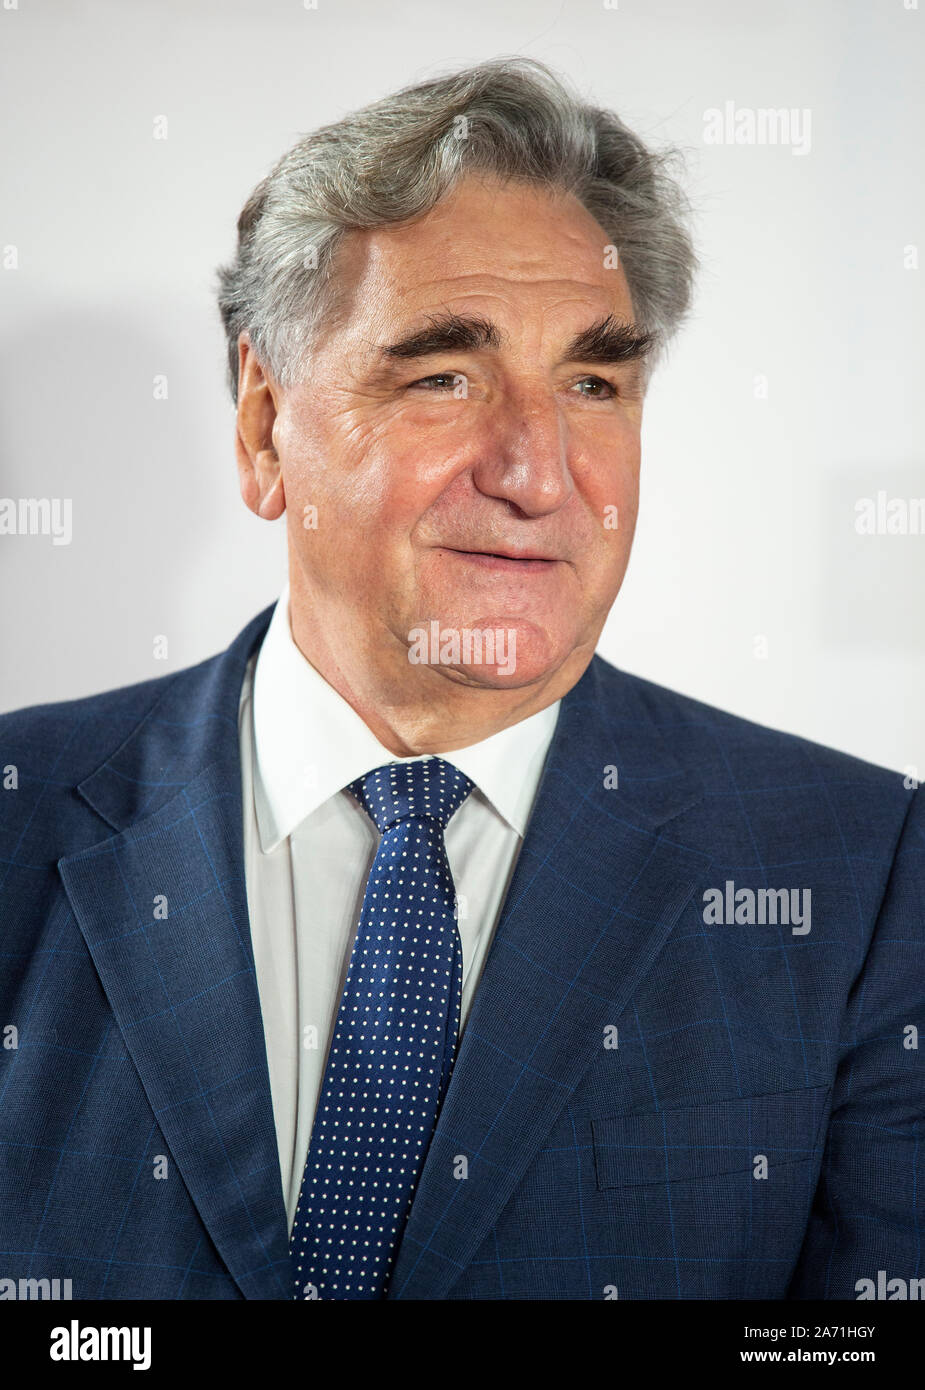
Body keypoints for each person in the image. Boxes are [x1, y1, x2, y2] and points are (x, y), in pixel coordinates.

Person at [0, 57, 921, 1302]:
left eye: (593, 382)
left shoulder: (857, 874)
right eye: (444, 375)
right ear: (263, 428)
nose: (539, 474)